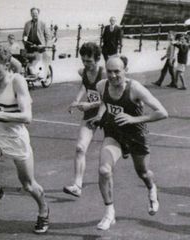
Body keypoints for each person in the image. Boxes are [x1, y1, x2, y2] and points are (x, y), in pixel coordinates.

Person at [0, 45, 50, 234]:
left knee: (28, 185)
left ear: (7, 65)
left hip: (15, 138)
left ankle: (43, 209)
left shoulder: (17, 81)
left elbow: (27, 117)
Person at [90, 56, 168, 230]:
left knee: (143, 172)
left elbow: (162, 112)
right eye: (109, 71)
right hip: (114, 134)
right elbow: (104, 101)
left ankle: (151, 188)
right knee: (104, 170)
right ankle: (109, 213)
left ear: (126, 70)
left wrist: (133, 119)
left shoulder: (135, 89)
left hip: (136, 136)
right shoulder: (101, 85)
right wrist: (99, 115)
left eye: (117, 71)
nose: (113, 75)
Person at [63, 42, 106, 197]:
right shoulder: (83, 71)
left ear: (98, 59)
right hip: (91, 113)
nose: (86, 64)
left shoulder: (105, 74)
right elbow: (84, 86)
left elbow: (111, 100)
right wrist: (75, 100)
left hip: (109, 113)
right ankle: (77, 185)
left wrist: (90, 104)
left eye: (90, 61)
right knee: (80, 148)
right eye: (84, 60)